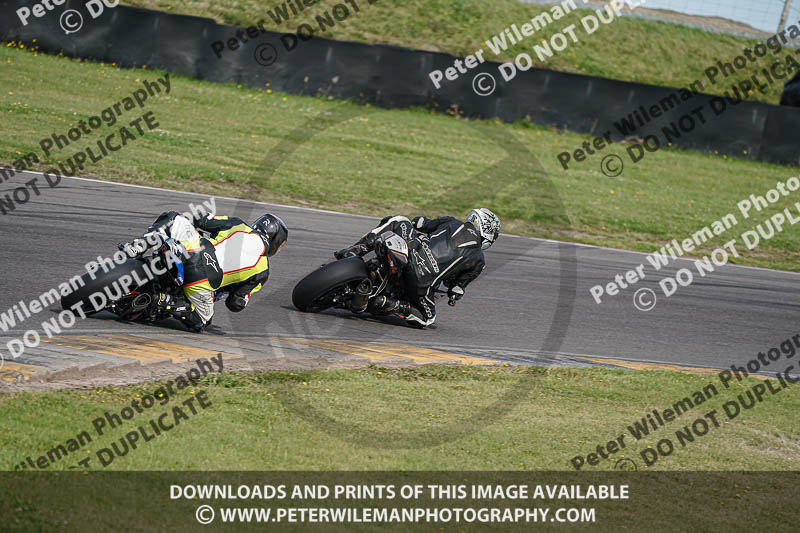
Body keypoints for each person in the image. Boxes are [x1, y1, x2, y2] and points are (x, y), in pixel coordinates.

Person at [119, 211, 288, 332]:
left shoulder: (238, 225)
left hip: (192, 250)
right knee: (202, 321)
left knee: (173, 218)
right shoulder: (263, 271)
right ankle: (163, 300)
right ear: (276, 241)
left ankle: (139, 245)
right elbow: (235, 304)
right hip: (202, 282)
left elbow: (201, 220)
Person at [334, 208, 500, 328]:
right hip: (422, 282)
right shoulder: (479, 261)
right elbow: (455, 288)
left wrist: (419, 222)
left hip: (411, 251)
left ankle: (353, 251)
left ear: (475, 218)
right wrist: (455, 294)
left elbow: (420, 223)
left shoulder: (452, 222)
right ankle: (386, 302)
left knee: (399, 220)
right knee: (428, 317)